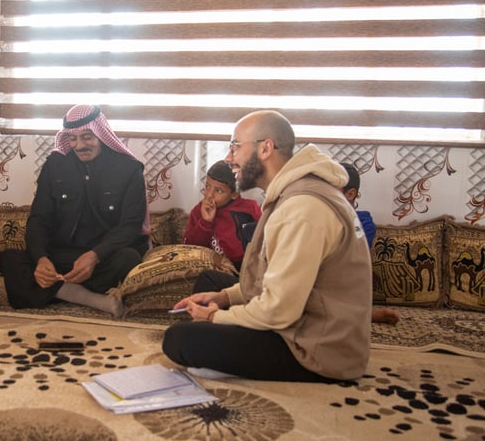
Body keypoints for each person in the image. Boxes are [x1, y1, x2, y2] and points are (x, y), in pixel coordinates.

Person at [163, 110, 372, 382]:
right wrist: (222, 299)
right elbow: (271, 278)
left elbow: (279, 310)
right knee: (210, 285)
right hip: (302, 319)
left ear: (265, 148)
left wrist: (215, 318)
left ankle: (230, 363)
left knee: (179, 340)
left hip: (317, 348)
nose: (230, 157)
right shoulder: (295, 192)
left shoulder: (303, 207)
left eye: (236, 146)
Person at [0, 104, 150, 317]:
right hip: (64, 254)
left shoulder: (128, 169)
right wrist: (42, 258)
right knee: (9, 259)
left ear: (100, 133)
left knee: (129, 259)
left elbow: (130, 226)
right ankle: (86, 297)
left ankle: (55, 291)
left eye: (87, 137)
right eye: (72, 138)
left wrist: (95, 256)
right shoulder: (55, 165)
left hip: (103, 256)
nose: (79, 145)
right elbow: (39, 218)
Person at [341, 163, 400, 325]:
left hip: (346, 282)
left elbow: (351, 257)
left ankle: (360, 315)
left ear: (350, 194)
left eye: (331, 191)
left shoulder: (363, 221)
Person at [183, 160, 261, 270]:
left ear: (234, 194)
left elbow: (264, 239)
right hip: (217, 269)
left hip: (248, 269)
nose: (209, 195)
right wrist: (206, 223)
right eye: (207, 186)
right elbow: (189, 247)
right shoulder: (199, 211)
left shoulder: (250, 208)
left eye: (218, 191)